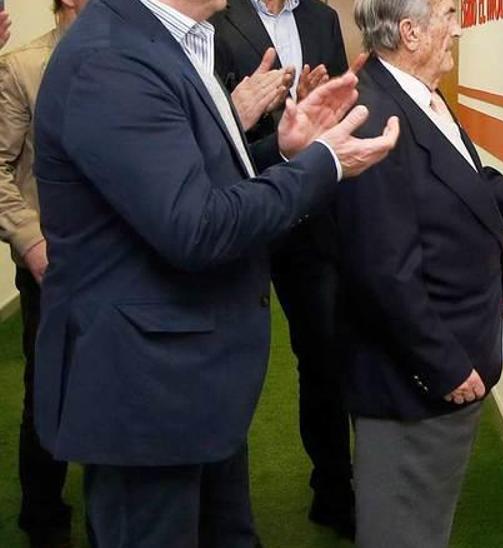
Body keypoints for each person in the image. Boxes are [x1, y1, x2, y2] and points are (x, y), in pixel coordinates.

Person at [31, 0, 400, 542]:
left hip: (188, 380)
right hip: (144, 392)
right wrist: (325, 162)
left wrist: (285, 148)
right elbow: (196, 226)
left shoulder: (166, 39)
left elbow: (198, 178)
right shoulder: (111, 59)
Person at [336, 0, 503, 546]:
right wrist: (444, 367)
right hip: (416, 380)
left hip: (449, 357)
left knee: (427, 519)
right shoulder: (374, 115)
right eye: (448, 15)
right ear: (410, 32)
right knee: (404, 528)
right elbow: (383, 271)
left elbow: (470, 183)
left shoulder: (420, 97)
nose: (458, 28)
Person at [210, 0, 357, 537]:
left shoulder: (320, 18)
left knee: (323, 356)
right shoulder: (214, 15)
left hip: (309, 212)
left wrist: (319, 101)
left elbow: (341, 103)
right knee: (226, 359)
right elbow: (204, 126)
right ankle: (219, 507)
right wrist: (249, 107)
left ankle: (334, 492)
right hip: (238, 208)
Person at [0, 2, 82, 546]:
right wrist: (31, 244)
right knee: (48, 386)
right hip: (50, 263)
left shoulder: (137, 59)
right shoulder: (23, 66)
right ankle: (42, 512)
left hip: (120, 261)